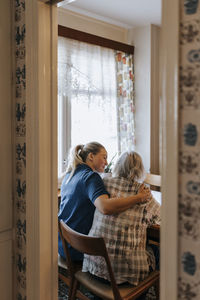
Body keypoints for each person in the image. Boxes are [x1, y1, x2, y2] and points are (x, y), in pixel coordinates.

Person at [58, 142, 150, 261]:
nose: (107, 163)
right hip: (80, 250)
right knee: (150, 247)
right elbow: (105, 208)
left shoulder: (70, 174)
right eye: (104, 157)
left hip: (64, 245)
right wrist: (139, 197)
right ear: (91, 156)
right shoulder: (90, 177)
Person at [82, 151, 161, 286]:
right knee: (159, 250)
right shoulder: (144, 193)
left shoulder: (104, 183)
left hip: (93, 266)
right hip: (123, 276)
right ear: (140, 170)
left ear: (117, 166)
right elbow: (161, 217)